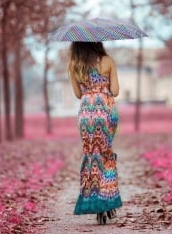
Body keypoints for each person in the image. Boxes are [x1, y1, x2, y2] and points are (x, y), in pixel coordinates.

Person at [68, 41, 122, 225]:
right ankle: (108, 200)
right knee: (105, 154)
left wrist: (88, 88)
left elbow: (77, 94)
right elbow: (115, 91)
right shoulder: (107, 61)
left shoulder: (74, 65)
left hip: (86, 115)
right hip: (106, 113)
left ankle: (95, 201)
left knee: (92, 156)